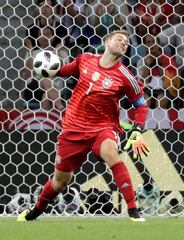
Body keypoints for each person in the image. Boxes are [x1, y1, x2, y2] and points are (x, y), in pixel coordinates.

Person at [17, 29, 149, 222]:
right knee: (60, 182)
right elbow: (60, 71)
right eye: (119, 40)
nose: (124, 43)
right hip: (72, 129)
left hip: (102, 128)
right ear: (106, 42)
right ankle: (36, 210)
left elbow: (141, 106)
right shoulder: (84, 59)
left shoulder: (125, 76)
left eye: (126, 42)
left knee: (112, 154)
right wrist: (44, 67)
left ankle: (132, 210)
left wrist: (137, 129)